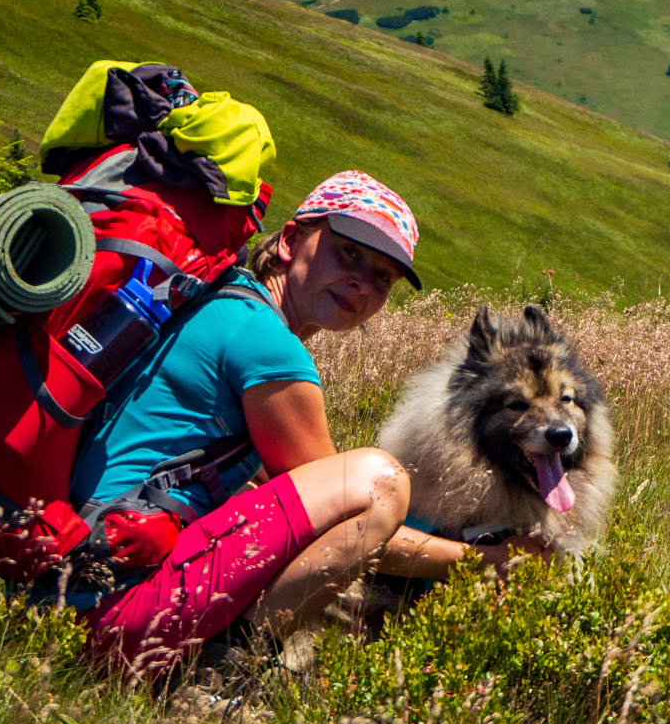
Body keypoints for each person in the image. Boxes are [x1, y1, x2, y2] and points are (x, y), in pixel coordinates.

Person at [53, 170, 441, 682]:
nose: (363, 282)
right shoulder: (267, 345)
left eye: (383, 276)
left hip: (58, 602)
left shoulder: (221, 299)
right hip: (120, 615)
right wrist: (482, 560)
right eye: (349, 253)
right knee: (378, 484)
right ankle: (223, 674)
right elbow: (349, 518)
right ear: (289, 241)